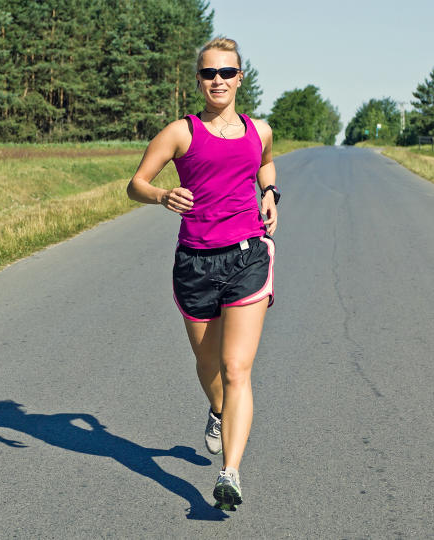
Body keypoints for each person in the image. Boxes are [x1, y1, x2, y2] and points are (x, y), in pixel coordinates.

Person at [127, 36, 280, 509]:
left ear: (240, 77)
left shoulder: (261, 130)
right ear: (199, 80)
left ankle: (229, 474)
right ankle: (217, 410)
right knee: (209, 365)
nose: (218, 80)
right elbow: (136, 184)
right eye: (209, 73)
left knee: (238, 369)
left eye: (226, 72)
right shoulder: (181, 132)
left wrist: (271, 193)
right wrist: (162, 196)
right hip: (195, 261)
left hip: (248, 255)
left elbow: (266, 166)